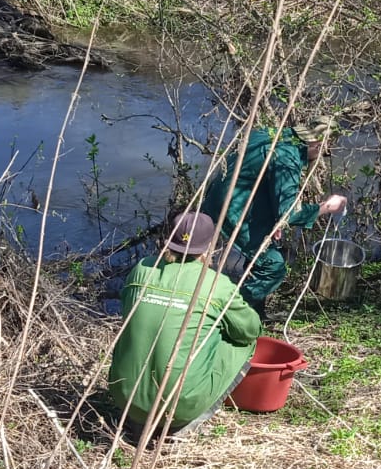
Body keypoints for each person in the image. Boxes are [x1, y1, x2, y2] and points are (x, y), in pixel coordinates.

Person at [107, 211, 260, 437]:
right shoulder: (217, 285)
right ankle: (188, 418)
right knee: (243, 343)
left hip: (124, 395)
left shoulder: (141, 269)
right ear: (210, 247)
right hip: (178, 407)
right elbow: (249, 331)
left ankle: (142, 414)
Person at [198, 116, 349, 319]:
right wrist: (327, 207)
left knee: (261, 257)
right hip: (231, 208)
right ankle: (222, 315)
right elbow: (290, 214)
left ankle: (256, 315)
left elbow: (258, 183)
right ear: (317, 143)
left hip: (223, 197)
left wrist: (273, 221)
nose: (322, 155)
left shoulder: (269, 134)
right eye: (325, 150)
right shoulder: (287, 158)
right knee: (273, 267)